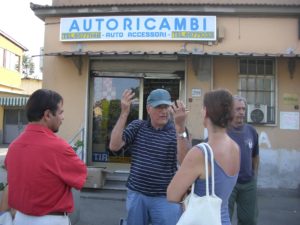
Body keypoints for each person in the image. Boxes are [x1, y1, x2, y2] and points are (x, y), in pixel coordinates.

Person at [5, 89, 87, 225]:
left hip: (19, 218)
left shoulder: (14, 146)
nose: (63, 117)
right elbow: (81, 179)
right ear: (48, 115)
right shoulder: (59, 147)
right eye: (61, 112)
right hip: (50, 220)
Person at [109, 88, 190, 225]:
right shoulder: (138, 126)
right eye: (159, 107)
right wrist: (124, 113)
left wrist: (180, 128)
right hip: (137, 195)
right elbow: (114, 146)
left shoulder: (177, 130)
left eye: (166, 106)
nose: (164, 111)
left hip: (166, 198)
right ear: (148, 109)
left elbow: (185, 161)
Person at [167, 89, 240, 225]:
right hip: (222, 220)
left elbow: (172, 195)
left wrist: (179, 127)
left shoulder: (200, 153)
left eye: (202, 108)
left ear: (206, 112)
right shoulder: (235, 147)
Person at [228, 95, 260, 225]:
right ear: (230, 110)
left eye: (243, 109)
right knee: (223, 219)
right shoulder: (222, 131)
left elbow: (255, 155)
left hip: (248, 183)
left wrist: (254, 176)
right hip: (228, 183)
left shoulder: (251, 131)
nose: (241, 112)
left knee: (249, 220)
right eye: (237, 109)